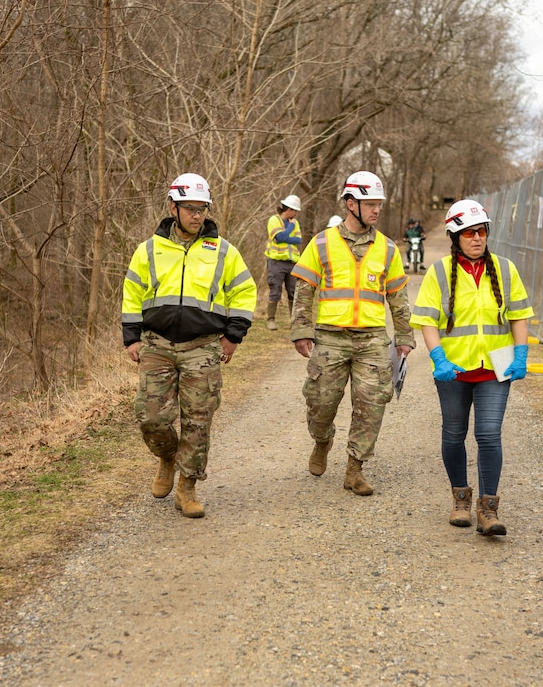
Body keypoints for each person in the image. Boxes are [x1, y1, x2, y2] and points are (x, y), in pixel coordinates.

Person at [122, 173, 257, 518]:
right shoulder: (149, 249)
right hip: (157, 344)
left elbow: (244, 291)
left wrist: (233, 336)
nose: (197, 216)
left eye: (202, 209)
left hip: (204, 346)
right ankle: (167, 457)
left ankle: (187, 487)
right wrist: (131, 336)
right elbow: (132, 292)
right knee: (151, 418)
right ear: (174, 208)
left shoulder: (222, 251)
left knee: (199, 420)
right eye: (190, 209)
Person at [410, 200, 533, 535]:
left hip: (496, 370)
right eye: (469, 233)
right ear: (455, 236)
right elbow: (426, 321)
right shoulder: (438, 272)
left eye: (482, 231)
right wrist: (438, 358)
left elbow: (519, 316)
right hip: (454, 369)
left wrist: (520, 354)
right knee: (454, 434)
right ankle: (461, 499)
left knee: (489, 435)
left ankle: (488, 510)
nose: (477, 238)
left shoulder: (506, 270)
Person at [290, 170, 415, 496]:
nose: (376, 210)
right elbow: (304, 290)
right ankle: (322, 439)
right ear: (350, 203)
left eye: (379, 205)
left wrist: (403, 336)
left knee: (372, 403)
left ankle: (355, 469)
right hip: (330, 337)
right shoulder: (322, 242)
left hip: (372, 339)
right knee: (320, 401)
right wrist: (302, 329)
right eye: (370, 204)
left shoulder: (387, 249)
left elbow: (398, 298)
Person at [264, 194, 303, 330]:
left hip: (292, 262)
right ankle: (271, 320)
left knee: (293, 291)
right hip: (276, 261)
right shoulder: (274, 220)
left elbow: (298, 240)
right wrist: (289, 230)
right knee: (275, 290)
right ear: (289, 209)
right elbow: (279, 238)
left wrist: (286, 236)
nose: (296, 213)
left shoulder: (295, 222)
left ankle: (293, 321)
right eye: (295, 210)